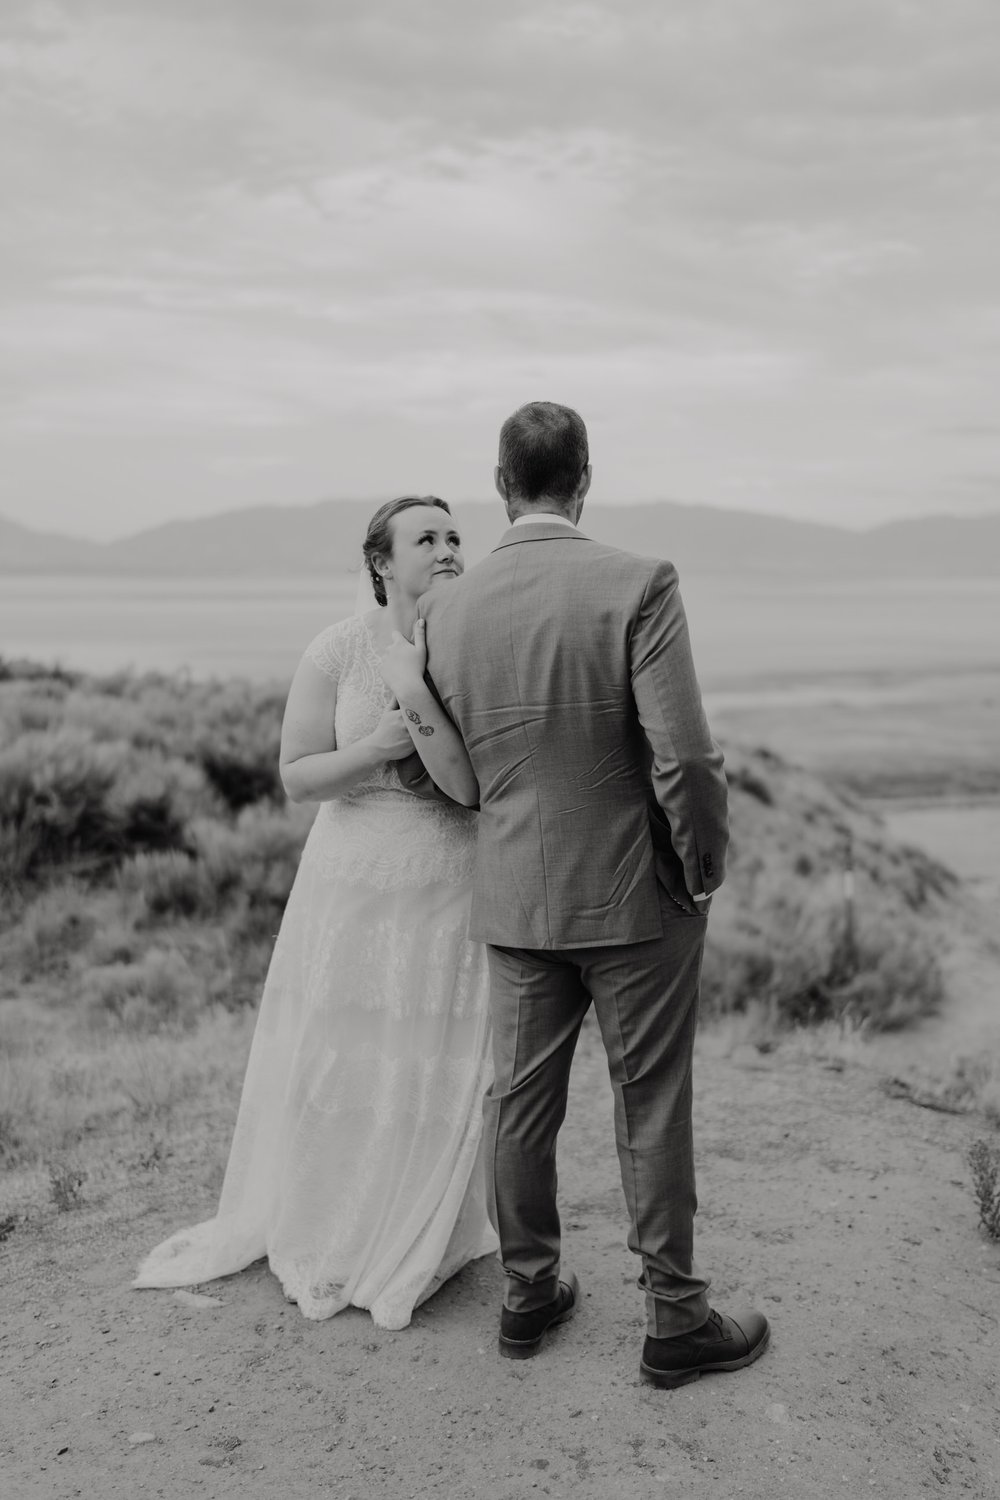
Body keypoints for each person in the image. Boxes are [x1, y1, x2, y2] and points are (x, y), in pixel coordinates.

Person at [394, 402, 770, 1386]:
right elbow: (684, 754)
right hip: (636, 896)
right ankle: (675, 1321)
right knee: (650, 1101)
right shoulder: (637, 582)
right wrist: (701, 863)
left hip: (516, 894)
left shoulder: (445, 610)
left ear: (498, 483)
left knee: (518, 1102)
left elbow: (442, 765)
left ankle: (526, 1298)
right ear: (585, 476)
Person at [133, 496, 498, 1330]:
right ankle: (337, 1223)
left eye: (452, 536)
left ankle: (427, 1225)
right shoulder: (336, 650)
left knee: (432, 1052)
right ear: (380, 562)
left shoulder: (471, 645)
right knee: (345, 1052)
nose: (445, 549)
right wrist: (375, 750)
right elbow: (297, 777)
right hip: (354, 883)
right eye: (425, 538)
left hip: (449, 876)